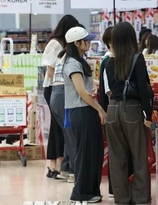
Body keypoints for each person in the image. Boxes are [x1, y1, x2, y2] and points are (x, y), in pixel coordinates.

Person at [100, 22, 152, 205]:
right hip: (132, 109)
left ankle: (121, 198)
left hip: (112, 109)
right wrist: (149, 115)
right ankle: (140, 197)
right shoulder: (137, 59)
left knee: (117, 157)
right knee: (138, 155)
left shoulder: (106, 62)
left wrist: (104, 111)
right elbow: (144, 90)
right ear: (131, 38)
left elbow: (103, 92)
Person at [62, 26, 106, 203]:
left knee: (93, 152)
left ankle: (90, 191)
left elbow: (85, 85)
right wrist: (100, 109)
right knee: (85, 153)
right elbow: (81, 92)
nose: (89, 43)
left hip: (84, 111)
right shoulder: (72, 63)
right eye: (85, 40)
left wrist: (95, 84)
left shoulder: (79, 60)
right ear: (76, 43)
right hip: (81, 111)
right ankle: (81, 193)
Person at [42, 14, 79, 178]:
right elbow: (50, 70)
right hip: (54, 88)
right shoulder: (55, 44)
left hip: (58, 88)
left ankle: (59, 165)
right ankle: (57, 166)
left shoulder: (63, 44)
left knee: (60, 128)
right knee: (59, 128)